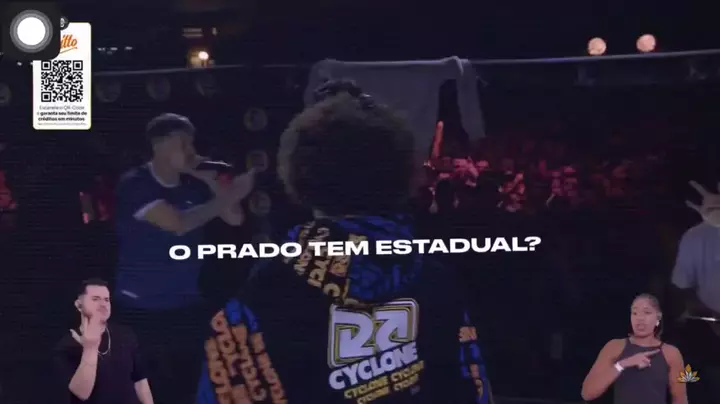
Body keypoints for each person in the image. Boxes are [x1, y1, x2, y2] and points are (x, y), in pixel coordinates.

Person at [194, 80, 494, 403]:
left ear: (302, 178)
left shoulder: (261, 296)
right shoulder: (436, 281)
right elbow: (472, 387)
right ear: (399, 175)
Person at [113, 113, 254, 403]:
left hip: (185, 303)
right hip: (141, 308)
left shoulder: (192, 187)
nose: (191, 151)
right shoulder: (136, 184)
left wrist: (211, 181)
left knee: (193, 384)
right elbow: (178, 223)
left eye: (192, 143)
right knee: (149, 391)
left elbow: (235, 218)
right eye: (183, 144)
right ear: (159, 145)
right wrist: (234, 193)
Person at [53, 278, 153, 404]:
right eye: (95, 299)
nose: (103, 304)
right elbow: (81, 394)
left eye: (106, 299)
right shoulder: (67, 345)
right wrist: (90, 348)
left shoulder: (125, 335)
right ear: (79, 305)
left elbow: (140, 380)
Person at [581, 293, 688, 404]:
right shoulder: (614, 347)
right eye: (635, 313)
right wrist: (623, 364)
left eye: (647, 312)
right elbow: (587, 393)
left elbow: (680, 399)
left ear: (658, 317)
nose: (640, 318)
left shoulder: (671, 353)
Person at [672, 180, 720, 402]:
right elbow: (684, 287)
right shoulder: (695, 237)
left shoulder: (694, 236)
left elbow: (683, 285)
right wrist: (711, 320)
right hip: (709, 329)